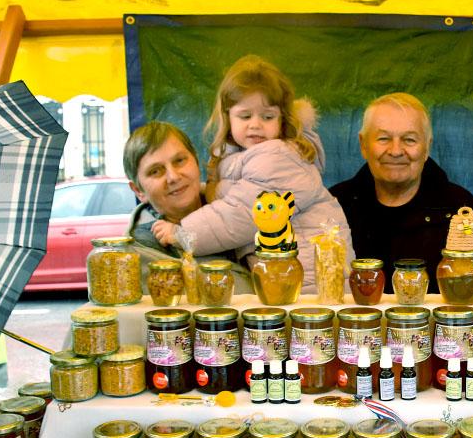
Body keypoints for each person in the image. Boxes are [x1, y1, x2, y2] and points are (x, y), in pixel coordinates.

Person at [150, 55, 354, 294]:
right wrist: (205, 188)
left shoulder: (278, 158)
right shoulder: (246, 159)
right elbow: (238, 193)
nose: (255, 124)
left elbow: (243, 214)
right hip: (293, 280)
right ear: (228, 117)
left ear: (282, 120)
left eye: (267, 117)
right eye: (245, 116)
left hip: (312, 283)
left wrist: (183, 234)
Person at [330, 92, 473, 292]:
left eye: (409, 140)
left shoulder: (461, 211)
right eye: (383, 138)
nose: (395, 151)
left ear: (427, 147)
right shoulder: (334, 206)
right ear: (363, 145)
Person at [123, 121, 254, 294]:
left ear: (196, 160)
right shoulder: (136, 256)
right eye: (156, 171)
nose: (173, 177)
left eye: (179, 161)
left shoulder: (242, 207)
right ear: (139, 191)